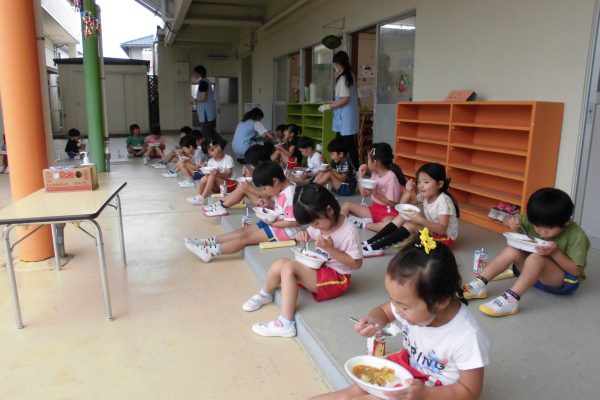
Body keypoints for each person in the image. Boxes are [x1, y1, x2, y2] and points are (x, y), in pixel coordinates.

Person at [310, 231, 489, 400]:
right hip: (407, 369)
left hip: (436, 391)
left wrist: (426, 394)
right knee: (349, 393)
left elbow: (469, 390)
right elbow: (383, 312)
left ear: (440, 301)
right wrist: (374, 321)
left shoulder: (466, 336)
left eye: (402, 306)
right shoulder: (411, 306)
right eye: (393, 300)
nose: (396, 309)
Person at [243, 184, 362, 337]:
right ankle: (265, 293)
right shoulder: (320, 223)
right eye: (312, 224)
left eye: (316, 223)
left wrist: (331, 250)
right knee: (279, 264)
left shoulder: (349, 230)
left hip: (338, 278)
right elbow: (309, 232)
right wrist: (303, 234)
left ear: (330, 210)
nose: (315, 227)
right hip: (320, 269)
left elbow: (357, 263)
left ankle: (285, 323)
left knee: (289, 268)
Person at [463, 188, 590, 317]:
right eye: (537, 225)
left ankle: (511, 299)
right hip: (531, 275)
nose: (541, 231)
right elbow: (506, 217)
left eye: (549, 228)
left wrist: (555, 252)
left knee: (537, 258)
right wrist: (510, 221)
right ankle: (479, 284)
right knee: (513, 249)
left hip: (561, 282)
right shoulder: (535, 219)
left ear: (567, 222)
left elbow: (576, 271)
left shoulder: (577, 235)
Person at [184, 161, 300, 262]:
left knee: (244, 239)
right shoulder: (282, 188)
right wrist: (269, 203)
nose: (264, 191)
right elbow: (281, 208)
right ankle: (205, 242)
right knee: (242, 232)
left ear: (275, 182)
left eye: (264, 188)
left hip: (284, 231)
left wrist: (272, 223)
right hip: (275, 223)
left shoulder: (289, 194)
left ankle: (208, 251)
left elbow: (292, 222)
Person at [361, 162, 459, 257]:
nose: (420, 185)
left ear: (439, 184)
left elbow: (442, 229)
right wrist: (408, 191)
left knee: (410, 225)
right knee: (403, 215)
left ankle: (377, 247)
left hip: (444, 239)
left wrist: (420, 220)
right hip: (433, 232)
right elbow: (402, 205)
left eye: (426, 182)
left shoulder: (444, 201)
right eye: (419, 182)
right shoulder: (425, 196)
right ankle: (372, 241)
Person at [341, 143, 407, 232]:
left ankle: (365, 224)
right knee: (346, 205)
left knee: (389, 225)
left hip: (388, 213)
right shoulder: (375, 174)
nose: (367, 162)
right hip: (373, 210)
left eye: (368, 159)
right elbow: (364, 194)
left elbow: (392, 203)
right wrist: (361, 177)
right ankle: (341, 226)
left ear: (376, 162)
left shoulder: (391, 177)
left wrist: (375, 193)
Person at [203, 144, 273, 217]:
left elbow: (267, 195)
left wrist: (250, 188)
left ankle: (222, 206)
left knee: (243, 189)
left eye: (252, 164)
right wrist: (248, 177)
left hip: (269, 205)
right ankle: (220, 204)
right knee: (243, 188)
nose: (251, 166)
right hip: (264, 201)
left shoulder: (269, 173)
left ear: (259, 161)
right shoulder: (268, 168)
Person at [318, 51, 360, 168]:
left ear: (339, 63)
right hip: (345, 117)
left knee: (347, 146)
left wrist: (328, 106)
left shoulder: (345, 77)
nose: (334, 67)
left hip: (345, 118)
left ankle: (354, 169)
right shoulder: (349, 75)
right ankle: (338, 167)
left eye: (335, 64)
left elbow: (345, 99)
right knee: (340, 144)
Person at [190, 65, 216, 138]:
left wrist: (194, 99)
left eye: (195, 73)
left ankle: (208, 148)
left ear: (199, 73)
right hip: (209, 112)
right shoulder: (207, 81)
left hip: (205, 113)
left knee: (206, 134)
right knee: (210, 133)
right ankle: (218, 145)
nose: (194, 75)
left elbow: (203, 98)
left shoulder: (203, 83)